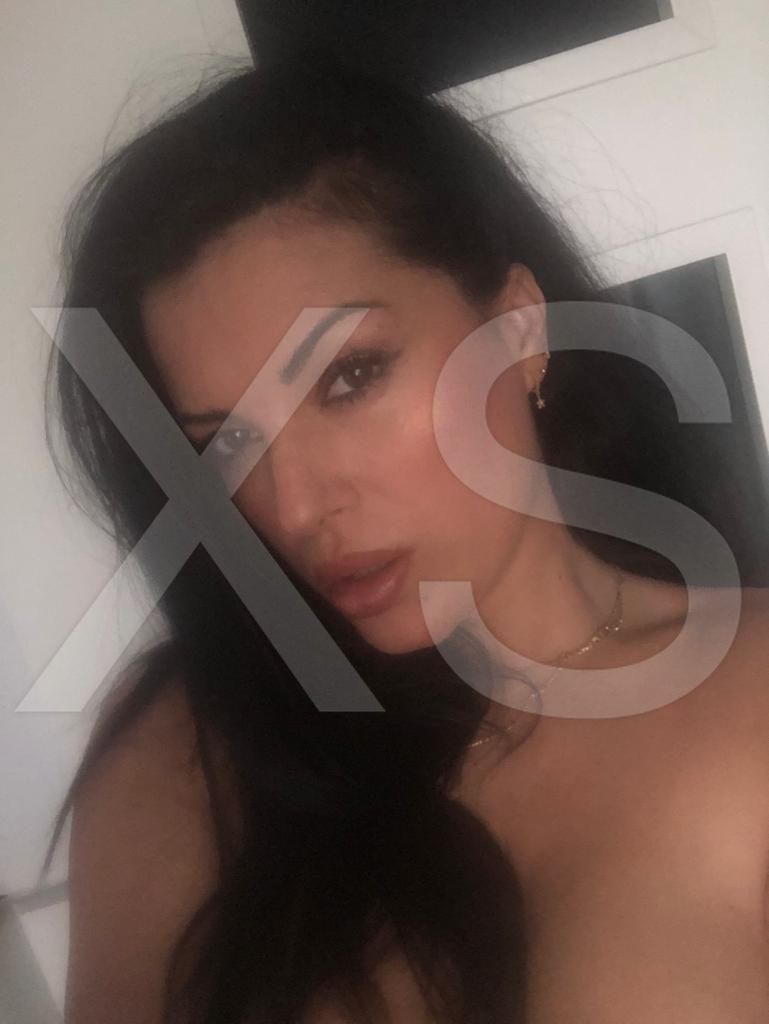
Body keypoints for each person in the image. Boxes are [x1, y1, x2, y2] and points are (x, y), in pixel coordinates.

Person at [40, 54, 769, 1024]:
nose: (295, 505)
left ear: (518, 326)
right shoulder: (187, 749)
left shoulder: (749, 696)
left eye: (348, 379)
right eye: (226, 442)